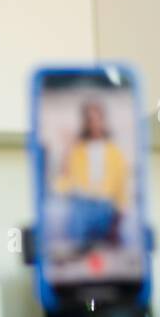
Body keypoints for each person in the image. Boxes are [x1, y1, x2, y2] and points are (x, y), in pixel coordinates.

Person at [52, 99, 129, 251]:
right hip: (81, 204)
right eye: (89, 119)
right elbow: (63, 184)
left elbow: (121, 186)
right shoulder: (76, 150)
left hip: (105, 205)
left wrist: (119, 213)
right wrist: (67, 149)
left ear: (103, 120)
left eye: (97, 119)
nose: (93, 123)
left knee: (111, 250)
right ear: (85, 123)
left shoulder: (115, 152)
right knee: (76, 248)